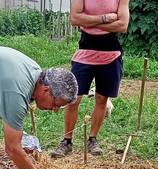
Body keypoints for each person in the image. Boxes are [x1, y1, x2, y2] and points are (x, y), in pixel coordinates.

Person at [50, 0, 130, 159]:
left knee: (101, 99)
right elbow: (74, 19)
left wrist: (89, 23)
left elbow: (122, 25)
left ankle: (92, 139)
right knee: (73, 98)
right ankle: (67, 141)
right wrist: (106, 18)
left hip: (110, 55)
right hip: (85, 53)